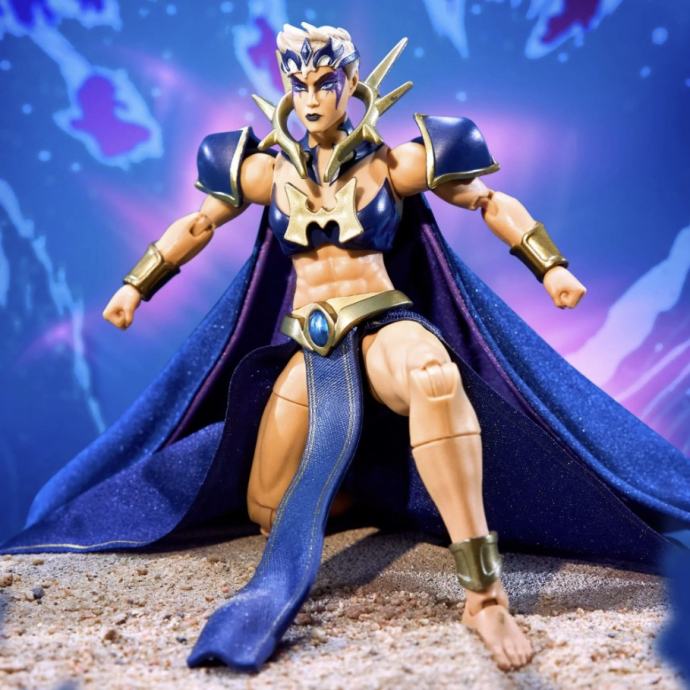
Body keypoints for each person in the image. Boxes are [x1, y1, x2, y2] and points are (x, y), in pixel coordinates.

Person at [4, 22, 689, 674]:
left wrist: (551, 267)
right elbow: (198, 224)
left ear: (351, 84)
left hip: (382, 325)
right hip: (310, 347)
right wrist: (136, 286)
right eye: (298, 83)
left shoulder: (396, 164)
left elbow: (487, 201)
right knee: (269, 511)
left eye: (325, 82)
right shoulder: (264, 173)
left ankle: (485, 597)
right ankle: (374, 492)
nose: (311, 97)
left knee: (433, 376)